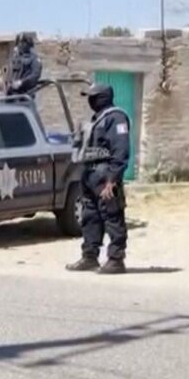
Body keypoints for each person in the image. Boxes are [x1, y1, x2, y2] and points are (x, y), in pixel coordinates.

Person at [66, 82, 130, 274]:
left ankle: (116, 259)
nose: (90, 101)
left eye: (93, 97)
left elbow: (120, 151)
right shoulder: (96, 119)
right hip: (89, 174)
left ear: (102, 98)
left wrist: (112, 180)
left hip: (105, 175)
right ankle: (89, 257)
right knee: (89, 216)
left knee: (112, 216)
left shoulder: (116, 118)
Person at [4, 32, 43, 98]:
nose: (21, 45)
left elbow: (35, 75)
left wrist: (21, 82)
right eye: (20, 43)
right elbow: (9, 72)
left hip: (25, 96)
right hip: (10, 95)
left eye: (23, 42)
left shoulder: (34, 59)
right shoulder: (15, 58)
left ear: (28, 44)